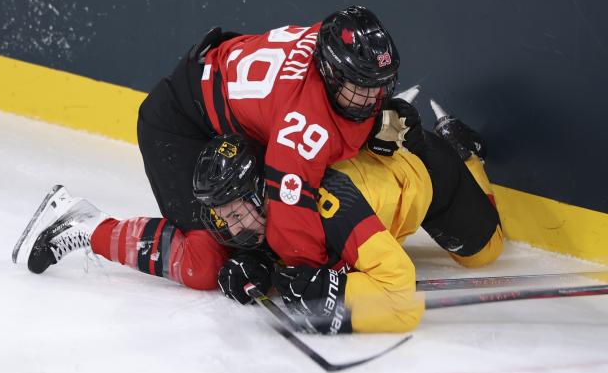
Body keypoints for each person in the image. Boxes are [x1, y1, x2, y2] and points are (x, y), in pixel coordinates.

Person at [193, 101, 503, 334]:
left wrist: (336, 299)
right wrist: (261, 265)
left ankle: (462, 153)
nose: (231, 228)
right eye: (224, 218)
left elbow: (400, 295)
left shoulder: (331, 204)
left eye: (235, 213)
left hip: (427, 173)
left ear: (260, 192)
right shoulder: (278, 197)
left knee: (484, 254)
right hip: (383, 182)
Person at [136, 5, 401, 268]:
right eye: (361, 85)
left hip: (223, 89)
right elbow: (291, 227)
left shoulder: (332, 39)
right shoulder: (302, 125)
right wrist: (321, 273)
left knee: (253, 231)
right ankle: (102, 231)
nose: (372, 98)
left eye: (379, 84)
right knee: (204, 261)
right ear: (332, 72)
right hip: (179, 122)